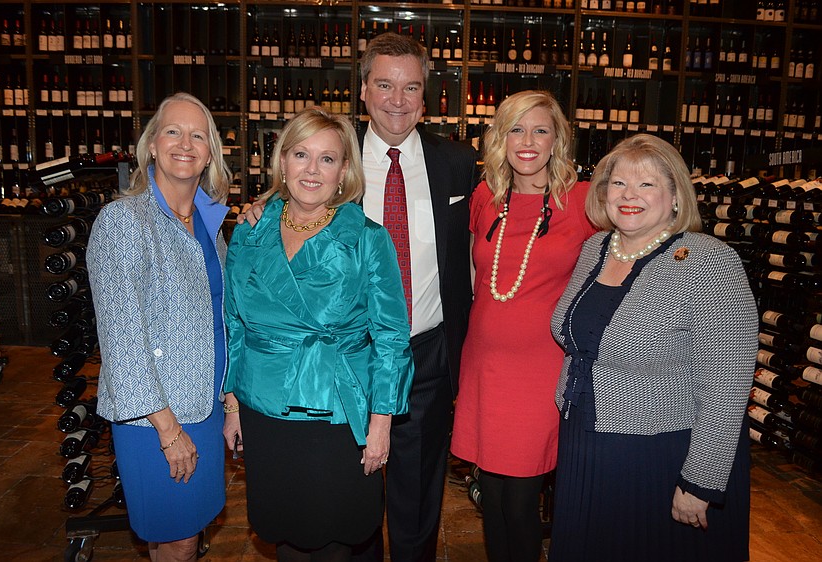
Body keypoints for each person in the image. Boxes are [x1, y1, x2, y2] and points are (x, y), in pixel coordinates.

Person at [548, 134, 757, 561]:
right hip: (585, 444)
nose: (629, 195)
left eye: (646, 185)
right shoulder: (595, 249)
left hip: (661, 455)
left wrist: (700, 482)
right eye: (618, 183)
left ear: (676, 196)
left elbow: (727, 385)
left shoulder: (708, 261)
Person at [221, 107, 415, 562]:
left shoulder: (368, 238)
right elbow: (234, 324)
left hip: (338, 411)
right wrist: (232, 405)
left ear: (344, 170)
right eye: (301, 155)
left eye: (327, 159)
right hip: (266, 408)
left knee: (336, 539)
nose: (312, 169)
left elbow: (391, 336)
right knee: (286, 534)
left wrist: (382, 422)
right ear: (282, 163)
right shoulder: (250, 233)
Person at [450, 90, 595, 562]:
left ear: (558, 140)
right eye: (516, 129)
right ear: (500, 138)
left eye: (540, 130)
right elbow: (474, 278)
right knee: (490, 493)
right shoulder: (485, 198)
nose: (527, 141)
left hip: (541, 371)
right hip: (485, 364)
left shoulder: (584, 200)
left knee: (521, 498)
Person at [86, 92, 231, 561]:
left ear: (211, 150)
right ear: (151, 145)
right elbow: (122, 340)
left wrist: (229, 398)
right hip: (155, 416)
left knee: (192, 530)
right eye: (173, 131)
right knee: (175, 536)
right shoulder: (124, 221)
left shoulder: (210, 222)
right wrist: (168, 430)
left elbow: (221, 316)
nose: (185, 143)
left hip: (204, 404)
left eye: (198, 134)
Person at [356, 32, 479, 562]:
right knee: (353, 496)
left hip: (426, 353)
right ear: (363, 90)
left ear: (424, 98)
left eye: (410, 88)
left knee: (419, 498)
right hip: (350, 355)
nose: (397, 101)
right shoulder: (332, 157)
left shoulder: (457, 163)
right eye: (384, 85)